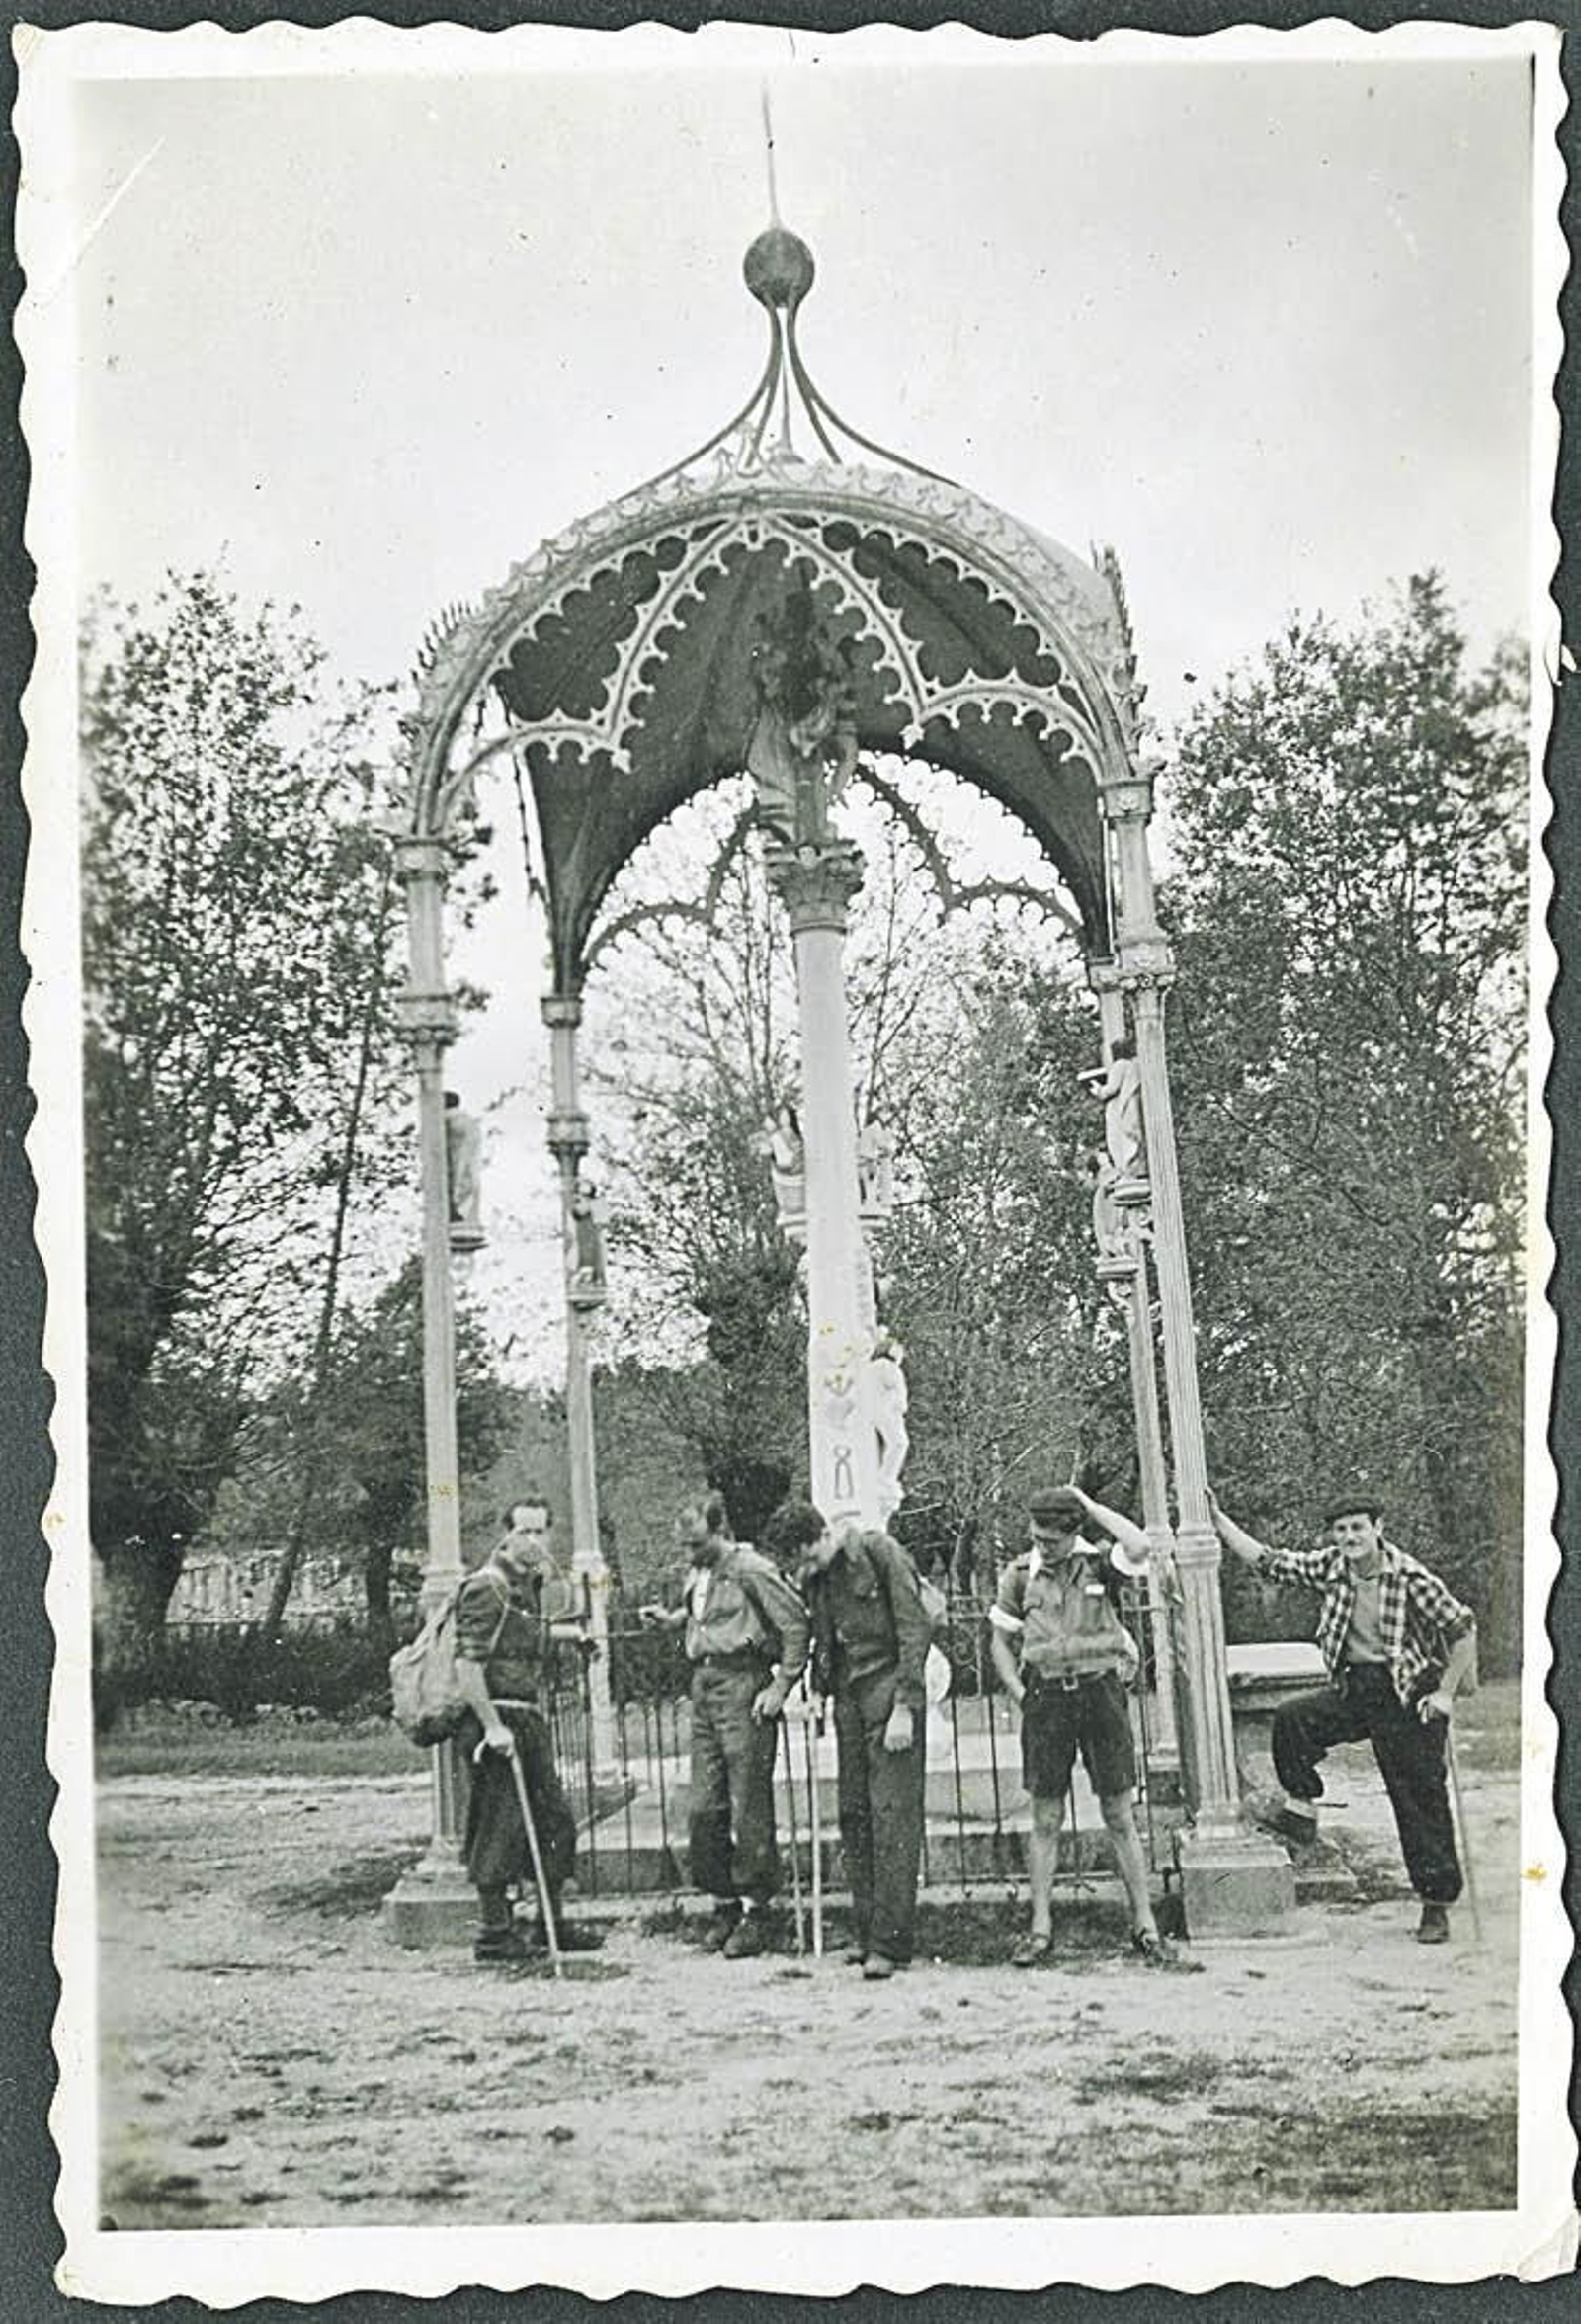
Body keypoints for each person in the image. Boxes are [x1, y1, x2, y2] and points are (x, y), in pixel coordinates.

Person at [1207, 1488, 1477, 1944]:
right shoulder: (1331, 1566)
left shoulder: (1410, 1576)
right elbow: (1269, 1561)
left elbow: (1463, 1631)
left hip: (1408, 1695)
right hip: (1357, 1688)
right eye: (1341, 1529)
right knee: (1294, 1719)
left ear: (1378, 1529)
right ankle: (1301, 1808)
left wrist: (1445, 1694)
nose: (1349, 1537)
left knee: (1418, 1799)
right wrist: (1218, 1521)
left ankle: (1435, 1902)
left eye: (1357, 1528)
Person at [989, 1483, 1188, 1971]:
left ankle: (1145, 1925)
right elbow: (999, 1639)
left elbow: (1139, 1545)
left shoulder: (1100, 1564)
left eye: (1052, 1540)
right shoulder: (1018, 1575)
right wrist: (1018, 1691)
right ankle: (1040, 1929)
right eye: (1036, 1537)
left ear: (1073, 1532)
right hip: (1047, 1699)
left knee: (1119, 1813)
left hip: (1101, 1695)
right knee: (1045, 1817)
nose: (1043, 1546)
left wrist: (1091, 1505)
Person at [768, 1500, 931, 1981]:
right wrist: (818, 1689)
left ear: (821, 1537)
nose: (804, 1572)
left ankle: (890, 1942)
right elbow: (825, 1638)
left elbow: (914, 1628)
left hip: (888, 1690)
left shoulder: (880, 1553)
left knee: (892, 1818)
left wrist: (906, 1706)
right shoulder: (819, 1576)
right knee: (855, 1816)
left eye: (805, 1559)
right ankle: (866, 1931)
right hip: (849, 1700)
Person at [642, 1495, 809, 1957]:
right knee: (703, 1805)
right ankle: (724, 1902)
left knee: (747, 1802)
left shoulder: (752, 1568)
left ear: (721, 1532)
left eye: (697, 1544)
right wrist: (672, 1621)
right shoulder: (699, 1571)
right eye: (684, 1545)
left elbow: (796, 1625)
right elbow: (706, 1614)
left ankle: (758, 1912)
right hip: (704, 1688)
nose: (689, 1553)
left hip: (742, 1685)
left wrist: (780, 1686)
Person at [454, 1495, 602, 1963]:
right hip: (496, 1722)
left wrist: (570, 1635)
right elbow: (467, 1665)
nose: (534, 1541)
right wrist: (492, 1727)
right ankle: (494, 1935)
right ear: (507, 1535)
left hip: (527, 1719)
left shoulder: (526, 1587)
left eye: (541, 1531)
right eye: (525, 1532)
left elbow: (520, 1638)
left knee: (553, 1821)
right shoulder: (488, 1586)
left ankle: (549, 1924)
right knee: (499, 1825)